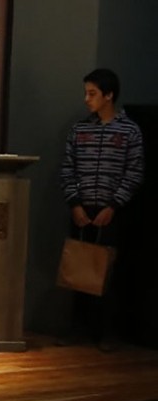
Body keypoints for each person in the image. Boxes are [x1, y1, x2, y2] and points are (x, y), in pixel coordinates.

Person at [58, 68, 144, 352]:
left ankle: (107, 331)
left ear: (109, 95)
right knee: (79, 267)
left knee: (109, 271)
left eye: (92, 93)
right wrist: (75, 203)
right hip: (82, 208)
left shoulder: (129, 130)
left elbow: (134, 172)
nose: (87, 99)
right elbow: (68, 167)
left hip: (112, 211)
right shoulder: (80, 130)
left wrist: (114, 205)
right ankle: (78, 327)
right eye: (86, 93)